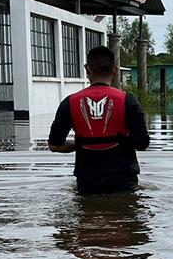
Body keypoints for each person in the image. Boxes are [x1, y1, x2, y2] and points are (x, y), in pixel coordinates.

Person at [48, 45, 150, 194]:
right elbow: (142, 144)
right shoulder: (128, 100)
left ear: (87, 69)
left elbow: (54, 146)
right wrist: (118, 141)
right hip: (123, 182)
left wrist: (84, 142)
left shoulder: (69, 102)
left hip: (87, 184)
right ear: (114, 70)